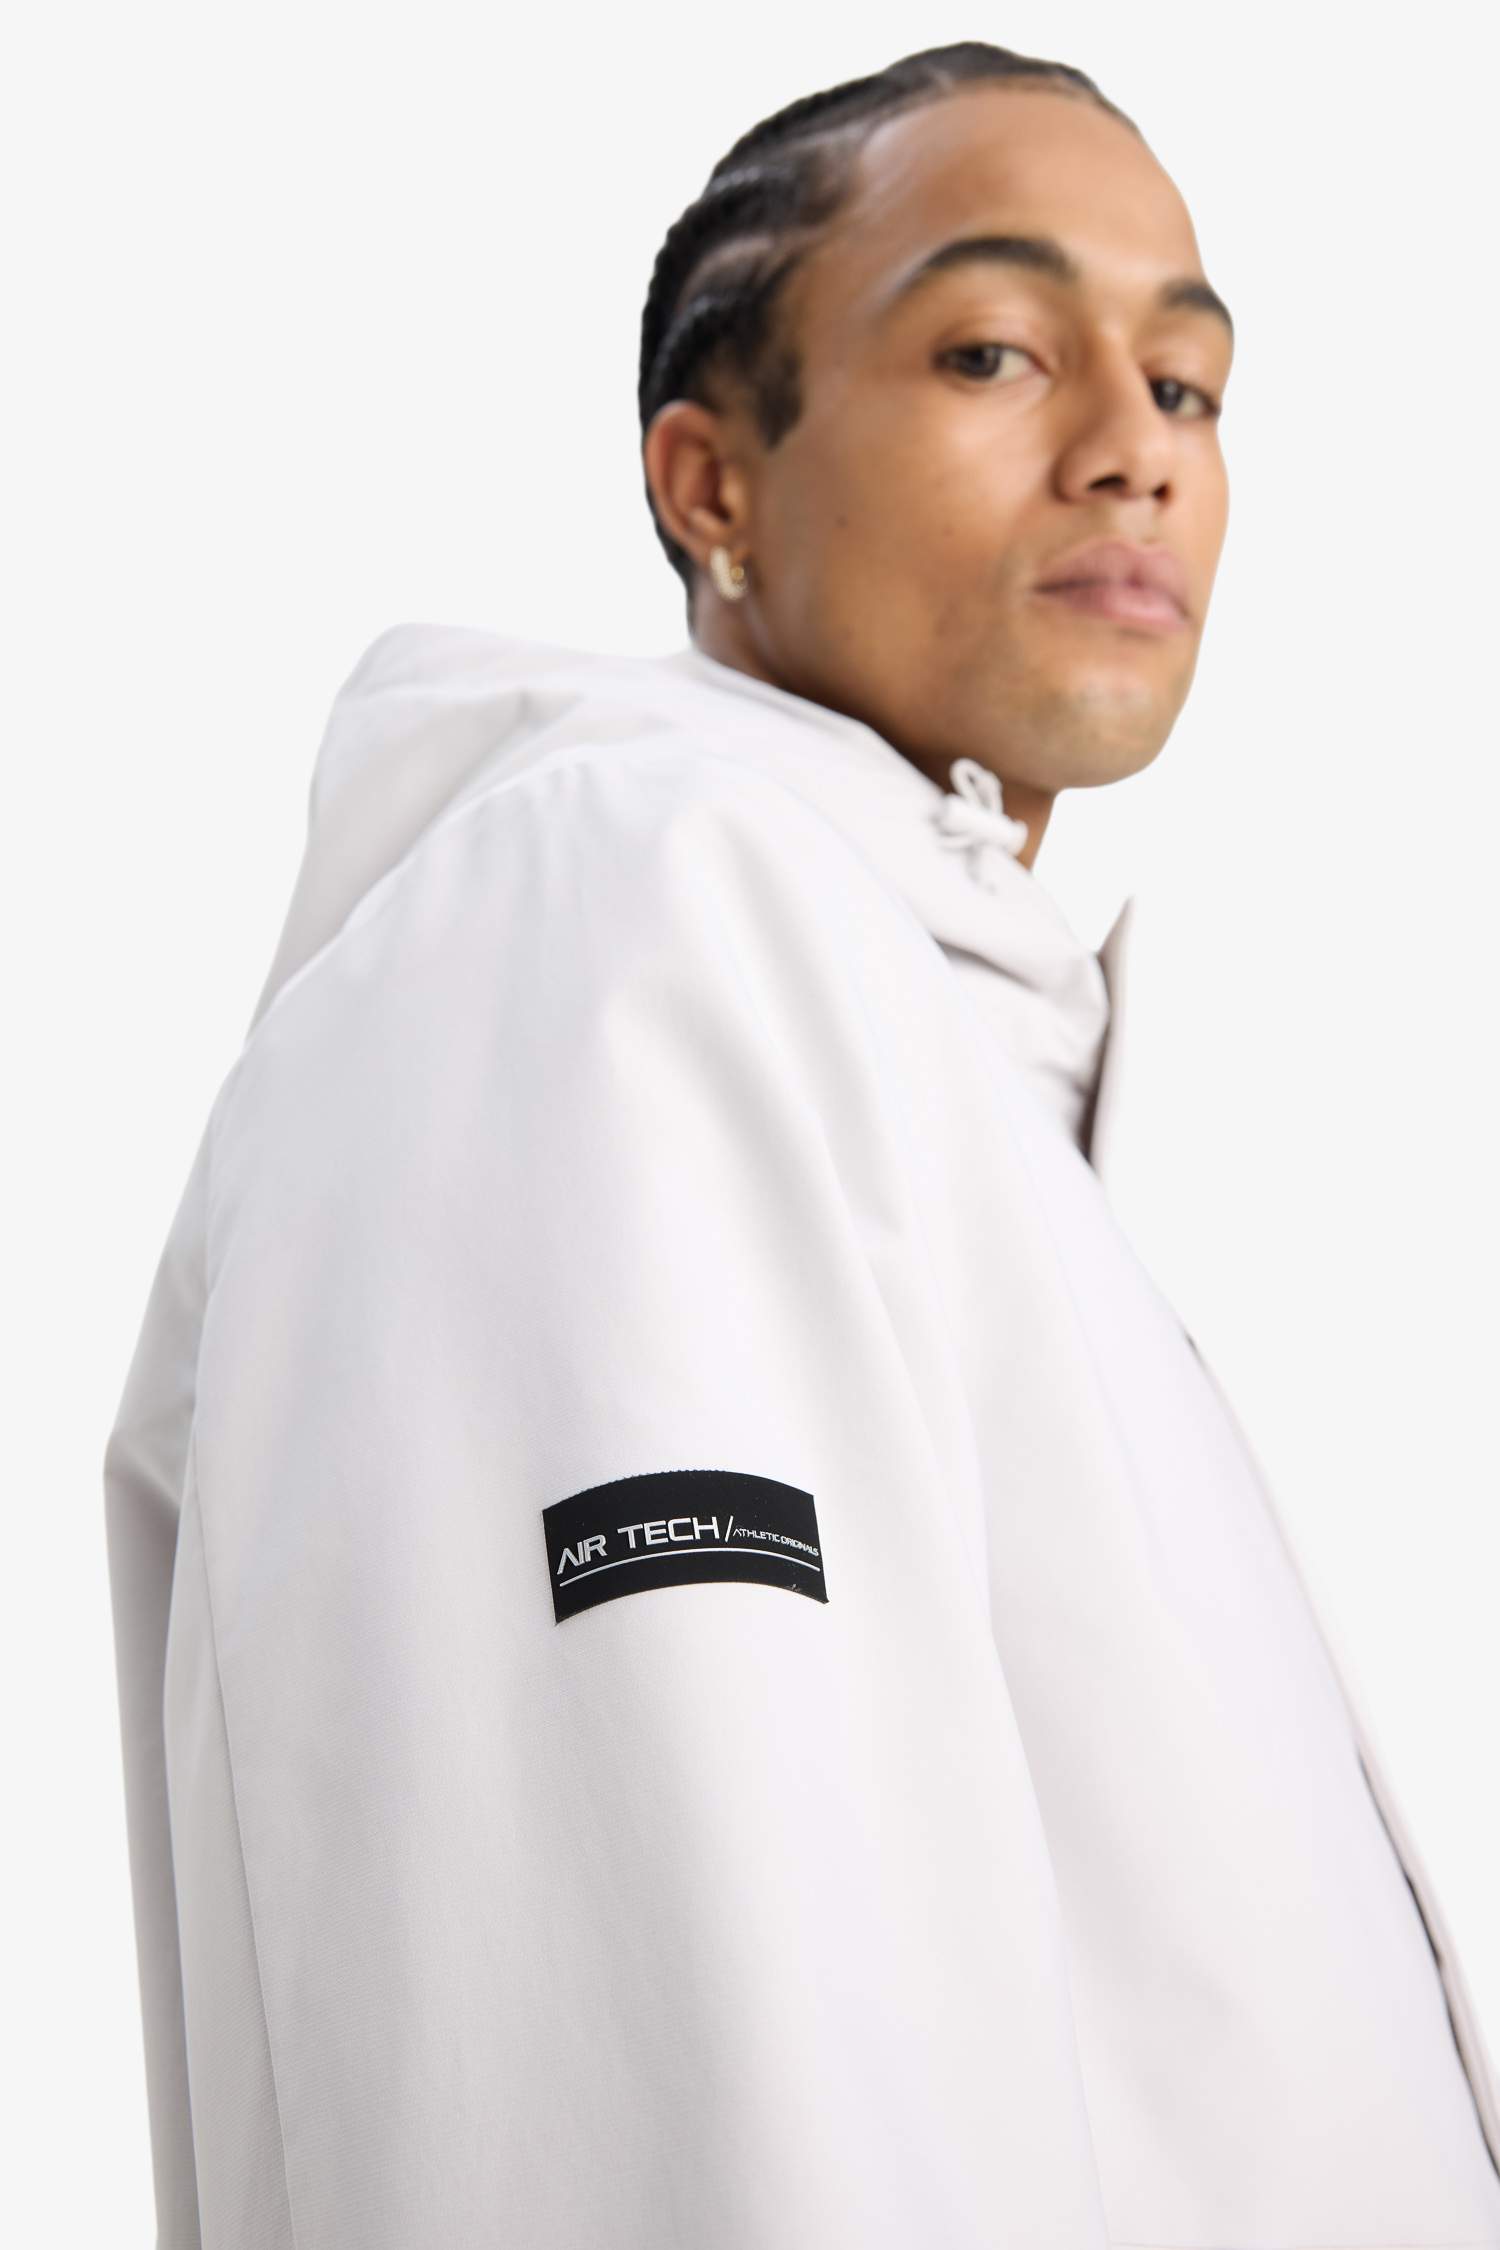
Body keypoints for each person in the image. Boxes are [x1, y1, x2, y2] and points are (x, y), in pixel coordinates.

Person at [102, 40, 1500, 2249]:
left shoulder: (978, 1071)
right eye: (994, 350)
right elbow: (681, 2071)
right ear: (710, 481)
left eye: (1190, 386)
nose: (1133, 446)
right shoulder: (613, 927)